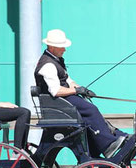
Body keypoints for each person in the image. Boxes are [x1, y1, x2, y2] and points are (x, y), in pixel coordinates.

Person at [34, 29, 127, 158]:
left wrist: (82, 89)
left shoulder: (56, 60)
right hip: (57, 103)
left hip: (64, 100)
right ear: (52, 46)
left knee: (89, 106)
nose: (64, 50)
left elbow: (67, 80)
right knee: (90, 109)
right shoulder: (47, 64)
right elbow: (55, 91)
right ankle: (107, 145)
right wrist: (76, 91)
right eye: (62, 47)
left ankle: (113, 136)